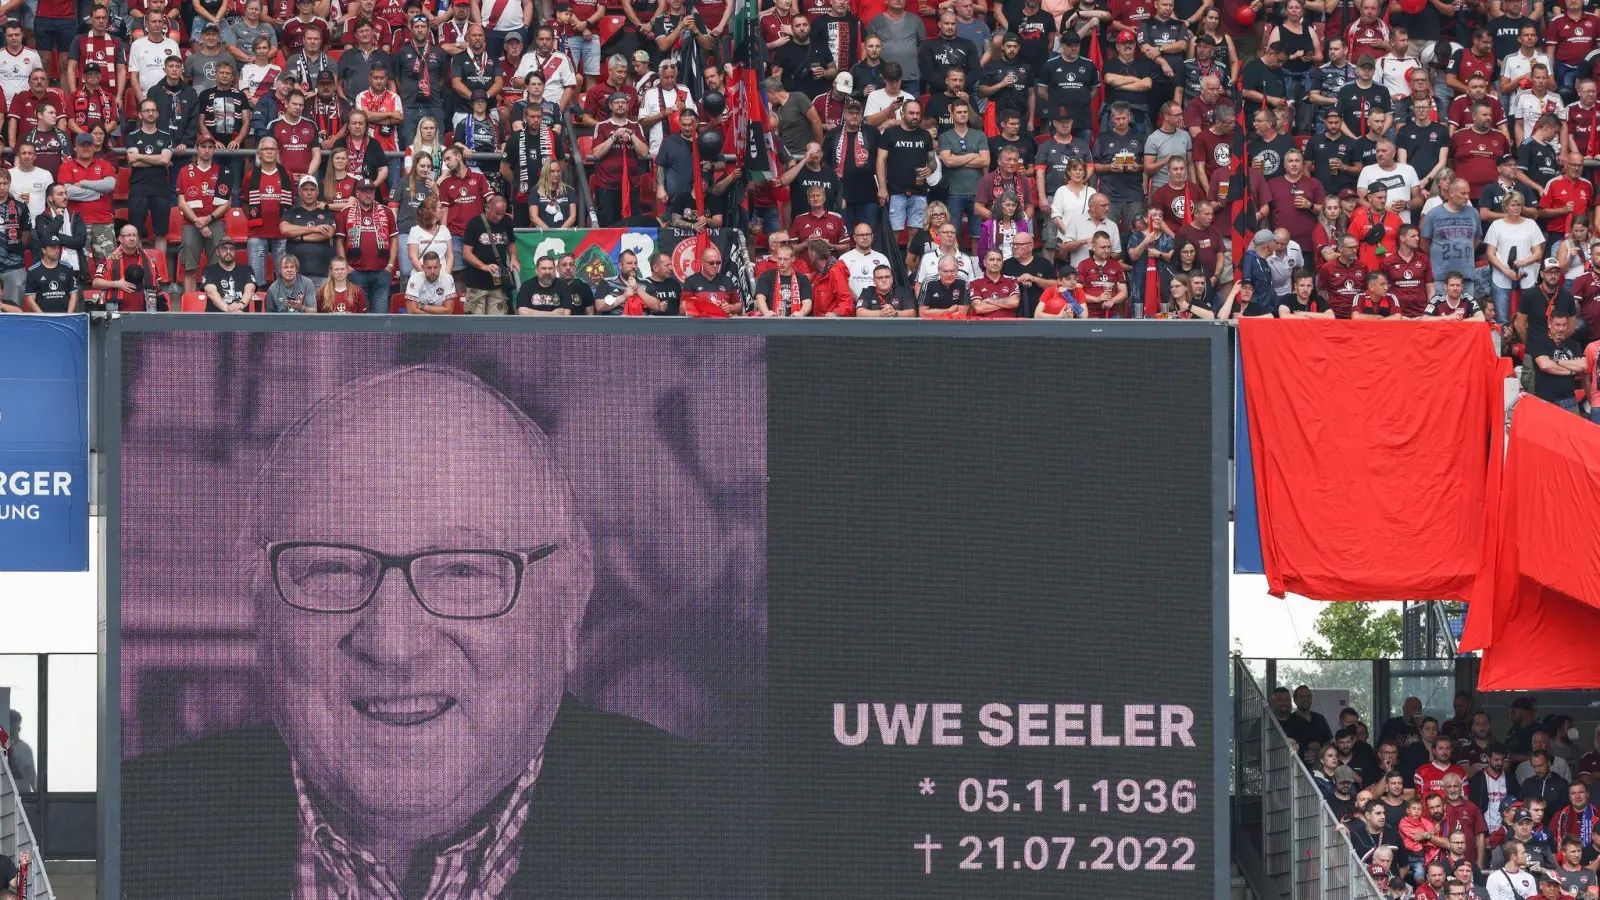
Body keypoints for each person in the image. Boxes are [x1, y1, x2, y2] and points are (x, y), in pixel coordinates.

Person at [336, 178, 398, 313]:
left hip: (382, 271)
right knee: (359, 313)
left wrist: (391, 265)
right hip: (356, 271)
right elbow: (339, 241)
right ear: (357, 193)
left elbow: (394, 239)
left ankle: (378, 335)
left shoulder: (386, 212)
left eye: (371, 191)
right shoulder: (346, 213)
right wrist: (346, 265)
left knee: (380, 313)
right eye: (364, 191)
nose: (368, 195)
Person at [460, 195, 516, 314]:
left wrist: (514, 258)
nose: (499, 217)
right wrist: (483, 266)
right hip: (476, 282)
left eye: (502, 213)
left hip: (498, 282)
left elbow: (511, 242)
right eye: (496, 213)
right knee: (475, 324)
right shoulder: (475, 223)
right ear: (487, 208)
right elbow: (466, 252)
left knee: (497, 323)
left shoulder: (506, 221)